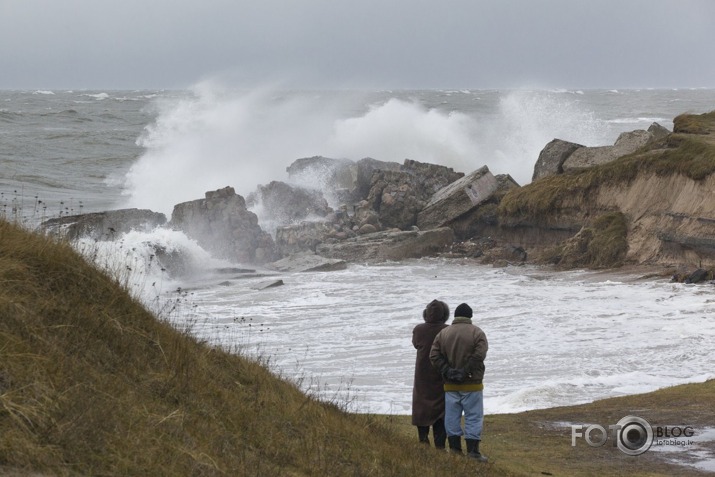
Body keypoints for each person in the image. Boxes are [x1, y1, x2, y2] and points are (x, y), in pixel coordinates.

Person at [429, 303, 489, 462]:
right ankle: (473, 452)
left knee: (452, 417)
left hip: (450, 385)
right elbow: (479, 355)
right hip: (472, 384)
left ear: (455, 316)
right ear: (470, 316)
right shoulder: (477, 332)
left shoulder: (443, 333)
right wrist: (466, 371)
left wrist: (448, 371)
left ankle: (455, 450)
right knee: (473, 417)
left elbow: (433, 355)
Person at [411, 299, 450, 449]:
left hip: (422, 374)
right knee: (441, 409)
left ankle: (423, 440)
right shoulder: (447, 330)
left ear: (426, 314)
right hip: (441, 373)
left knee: (422, 407)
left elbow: (415, 344)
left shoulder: (419, 329)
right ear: (445, 314)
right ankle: (440, 445)